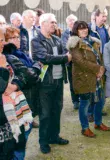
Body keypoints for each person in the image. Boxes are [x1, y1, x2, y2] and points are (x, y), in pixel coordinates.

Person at [31, 13, 71, 154]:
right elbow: (45, 57)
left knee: (56, 110)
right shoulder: (36, 41)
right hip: (45, 84)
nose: (55, 24)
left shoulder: (56, 39)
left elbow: (66, 52)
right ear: (42, 24)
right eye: (52, 22)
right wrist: (64, 58)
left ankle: (54, 137)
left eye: (55, 22)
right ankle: (43, 141)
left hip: (58, 81)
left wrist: (64, 56)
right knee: (45, 113)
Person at [67, 21, 110, 138]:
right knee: (85, 103)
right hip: (84, 78)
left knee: (100, 100)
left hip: (97, 76)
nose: (84, 30)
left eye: (85, 28)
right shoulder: (74, 44)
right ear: (76, 31)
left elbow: (99, 57)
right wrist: (98, 69)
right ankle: (85, 128)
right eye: (81, 29)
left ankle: (98, 123)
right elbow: (80, 62)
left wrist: (102, 69)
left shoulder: (93, 41)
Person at [0, 29, 33, 159]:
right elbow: (2, 86)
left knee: (16, 145)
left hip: (14, 112)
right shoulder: (3, 60)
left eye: (2, 40)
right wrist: (2, 68)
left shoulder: (6, 57)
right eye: (0, 40)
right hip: (4, 118)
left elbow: (24, 75)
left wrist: (14, 86)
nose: (2, 43)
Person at [3, 26, 41, 128]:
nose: (18, 40)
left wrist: (34, 67)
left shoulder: (20, 53)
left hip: (29, 92)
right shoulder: (9, 56)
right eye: (13, 38)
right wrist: (37, 67)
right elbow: (30, 75)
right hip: (22, 95)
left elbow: (31, 69)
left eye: (18, 37)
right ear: (5, 41)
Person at [62, 14, 80, 110]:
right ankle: (75, 101)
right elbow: (65, 47)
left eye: (73, 20)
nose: (71, 22)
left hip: (81, 62)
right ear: (67, 22)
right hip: (70, 63)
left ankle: (82, 99)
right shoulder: (65, 34)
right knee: (73, 82)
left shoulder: (80, 32)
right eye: (70, 20)